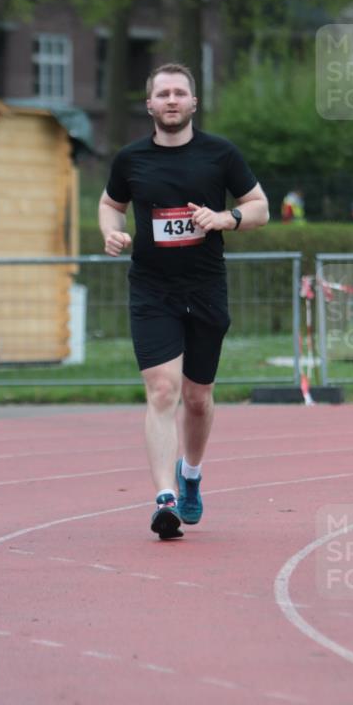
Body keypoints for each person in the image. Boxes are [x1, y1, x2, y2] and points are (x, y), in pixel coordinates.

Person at [98, 62, 269, 540]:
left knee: (197, 398)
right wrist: (112, 232)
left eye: (179, 93)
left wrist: (225, 218)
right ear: (149, 104)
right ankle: (165, 498)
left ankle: (190, 474)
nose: (171, 101)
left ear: (193, 103)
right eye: (162, 94)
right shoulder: (131, 160)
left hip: (205, 287)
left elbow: (260, 206)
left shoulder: (220, 154)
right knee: (162, 390)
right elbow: (111, 204)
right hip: (152, 289)